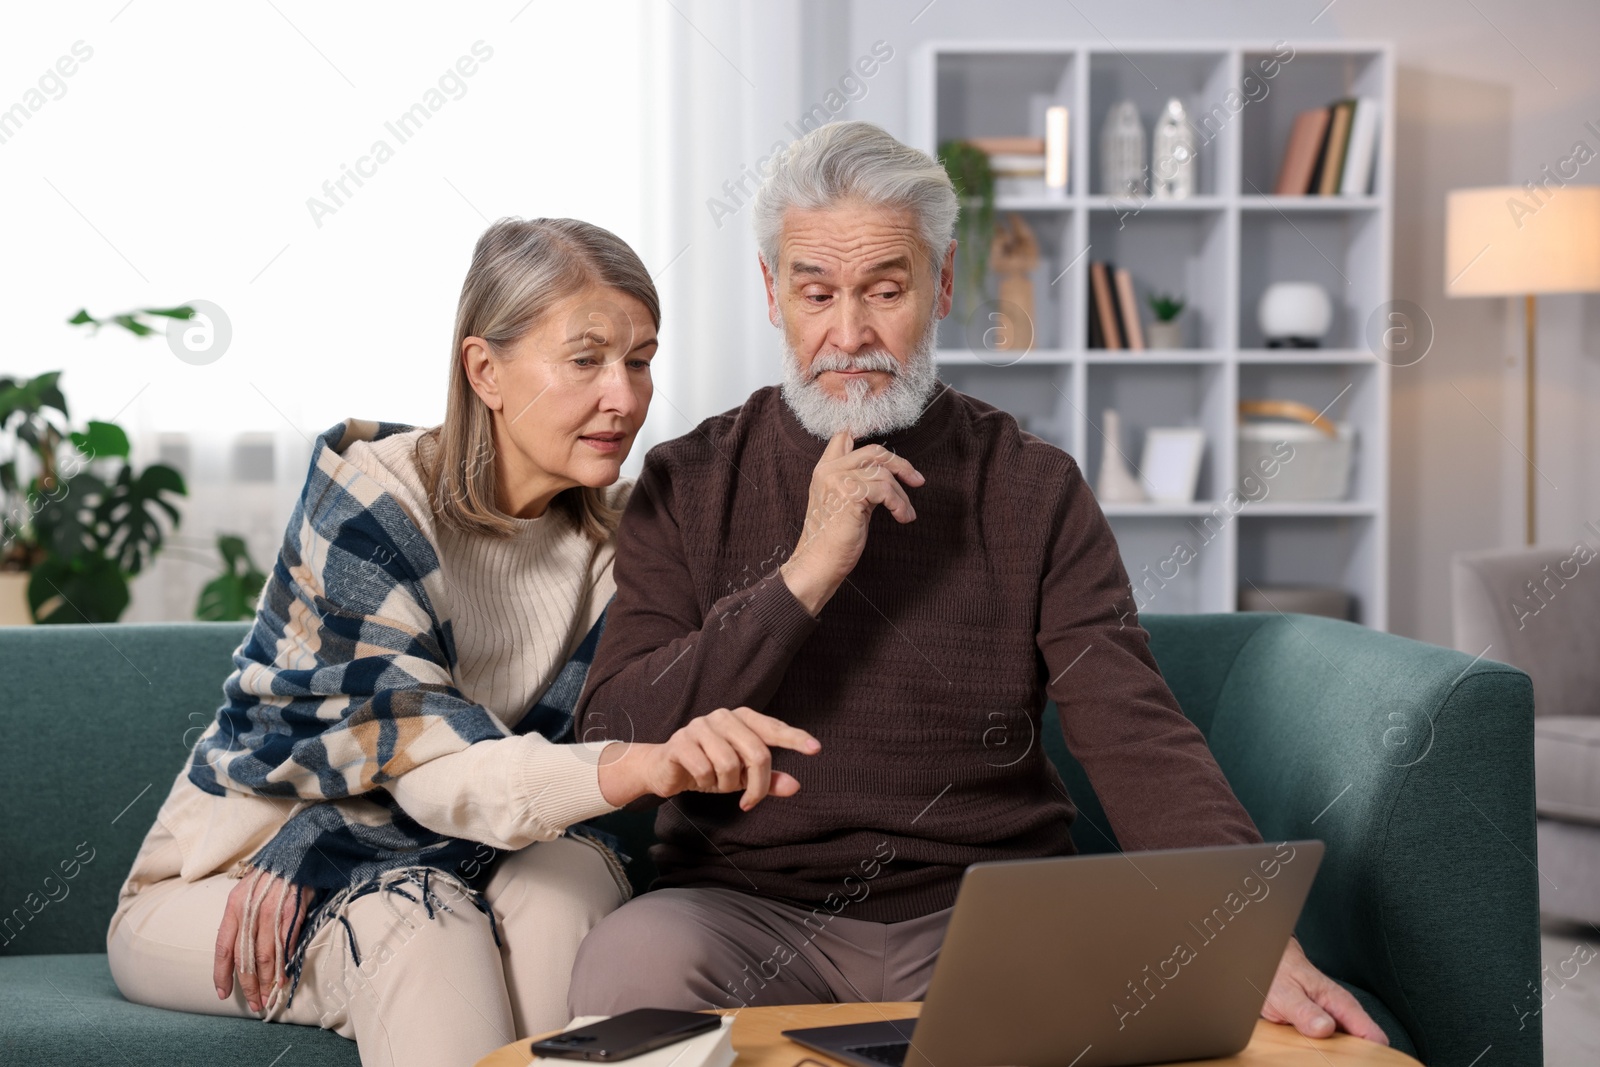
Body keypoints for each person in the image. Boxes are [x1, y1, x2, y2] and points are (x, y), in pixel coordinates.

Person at [566, 121, 1389, 1047]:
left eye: (886, 290)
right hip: (740, 916)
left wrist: (1251, 927)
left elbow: (1131, 724)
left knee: (1171, 986)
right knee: (626, 962)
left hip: (982, 913)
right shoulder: (690, 479)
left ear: (943, 284)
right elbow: (611, 732)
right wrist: (804, 575)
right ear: (772, 295)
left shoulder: (1031, 485)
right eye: (817, 292)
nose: (850, 334)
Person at [107, 217, 819, 1067]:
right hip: (241, 866)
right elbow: (437, 764)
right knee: (419, 919)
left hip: (473, 847)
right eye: (586, 359)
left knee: (569, 887)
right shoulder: (371, 499)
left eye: (640, 359)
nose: (626, 397)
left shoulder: (623, 541)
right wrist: (638, 765)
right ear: (484, 369)